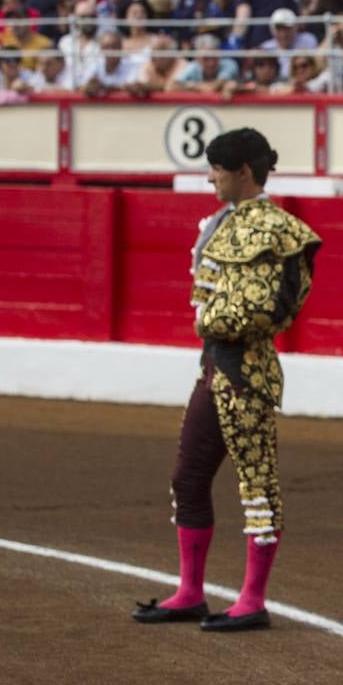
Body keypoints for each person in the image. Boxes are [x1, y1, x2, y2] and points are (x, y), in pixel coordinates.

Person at [133, 128, 321, 633]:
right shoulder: (219, 223)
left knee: (256, 484)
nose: (211, 176)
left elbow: (274, 308)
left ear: (242, 171)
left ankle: (252, 600)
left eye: (217, 167)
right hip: (213, 366)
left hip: (248, 371)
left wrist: (211, 321)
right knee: (187, 478)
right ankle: (191, 592)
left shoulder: (280, 229)